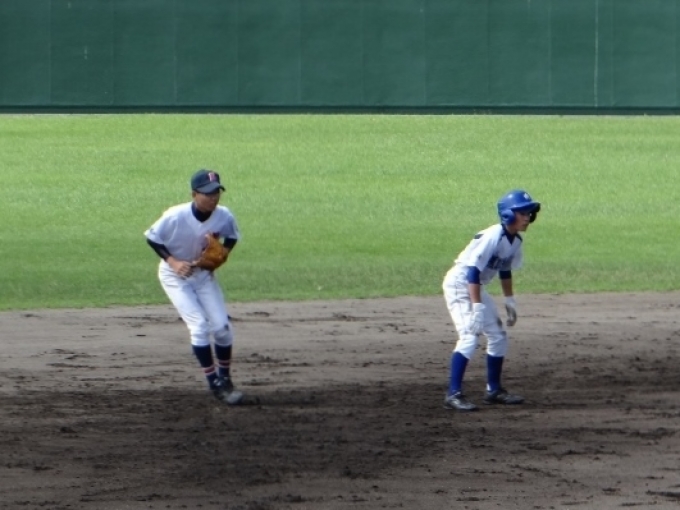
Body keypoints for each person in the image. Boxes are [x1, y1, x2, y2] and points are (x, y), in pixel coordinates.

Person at [144, 169, 244, 405]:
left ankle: (225, 378)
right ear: (194, 194)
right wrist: (173, 262)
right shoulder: (175, 215)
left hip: (203, 276)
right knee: (199, 326)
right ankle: (214, 383)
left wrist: (223, 254)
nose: (213, 198)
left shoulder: (223, 215)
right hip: (175, 277)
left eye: (216, 193)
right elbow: (152, 237)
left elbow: (232, 236)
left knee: (222, 328)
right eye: (207, 194)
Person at [441, 189, 541, 411]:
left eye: (528, 213)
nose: (527, 217)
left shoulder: (515, 241)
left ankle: (493, 390)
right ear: (508, 214)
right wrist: (477, 307)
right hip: (460, 284)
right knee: (469, 335)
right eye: (522, 213)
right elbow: (473, 271)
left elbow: (505, 270)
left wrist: (510, 300)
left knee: (498, 335)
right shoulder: (493, 235)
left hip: (475, 286)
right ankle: (453, 394)